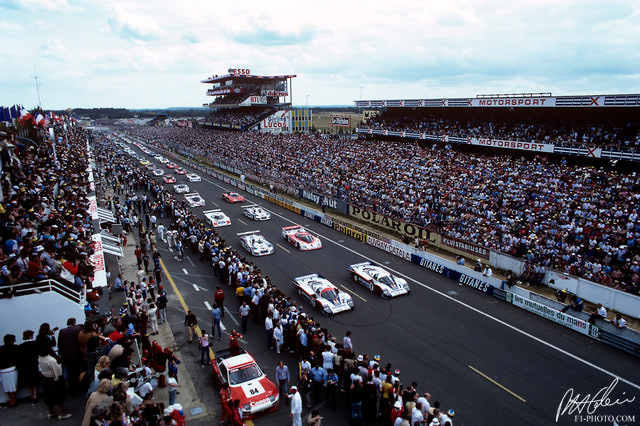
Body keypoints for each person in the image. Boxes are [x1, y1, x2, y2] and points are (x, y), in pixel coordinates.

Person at [38, 343, 72, 420]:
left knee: (48, 396)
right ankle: (61, 413)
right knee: (57, 397)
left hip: (46, 379)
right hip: (54, 379)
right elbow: (56, 372)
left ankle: (50, 412)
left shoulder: (40, 358)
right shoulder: (51, 360)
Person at [18, 330, 40, 403]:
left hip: (25, 366)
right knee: (34, 381)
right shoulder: (35, 343)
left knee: (28, 382)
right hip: (33, 364)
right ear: (30, 336)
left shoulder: (21, 346)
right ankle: (35, 395)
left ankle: (31, 396)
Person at [0, 334, 20, 407]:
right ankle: (13, 400)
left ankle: (10, 400)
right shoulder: (15, 348)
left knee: (7, 386)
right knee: (13, 386)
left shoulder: (0, 349)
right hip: (12, 369)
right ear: (12, 340)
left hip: (2, 371)